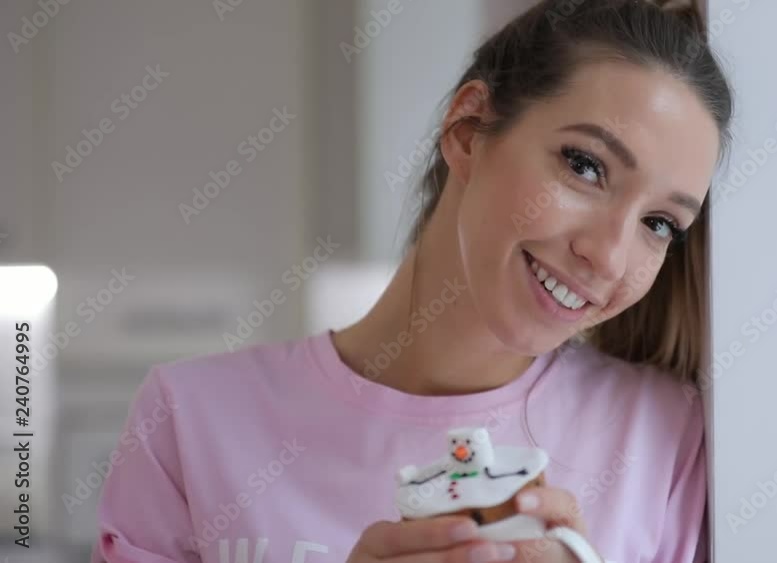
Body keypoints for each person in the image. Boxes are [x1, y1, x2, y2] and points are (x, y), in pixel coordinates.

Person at [89, 0, 733, 561]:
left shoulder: (664, 440)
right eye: (586, 167)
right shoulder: (191, 420)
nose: (609, 257)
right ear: (469, 130)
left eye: (659, 224)